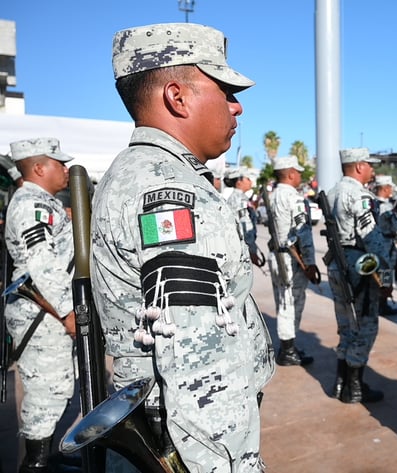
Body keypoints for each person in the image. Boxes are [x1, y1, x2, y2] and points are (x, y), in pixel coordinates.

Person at [91, 22, 274, 472]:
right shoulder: (170, 189)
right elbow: (201, 368)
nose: (238, 106)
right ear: (178, 97)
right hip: (186, 448)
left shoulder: (138, 172)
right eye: (225, 90)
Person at [4, 137, 76, 473]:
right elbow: (42, 264)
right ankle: (35, 464)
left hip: (45, 313)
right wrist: (68, 310)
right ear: (38, 168)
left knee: (56, 388)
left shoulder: (41, 202)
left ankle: (45, 456)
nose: (65, 169)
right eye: (58, 163)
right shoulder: (33, 205)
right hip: (43, 314)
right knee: (47, 394)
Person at [324, 147, 392, 404]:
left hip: (337, 263)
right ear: (359, 167)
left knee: (346, 325)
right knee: (366, 326)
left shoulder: (331, 193)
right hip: (358, 265)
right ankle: (355, 387)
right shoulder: (360, 195)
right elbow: (372, 238)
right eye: (370, 165)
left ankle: (341, 382)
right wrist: (385, 276)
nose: (373, 170)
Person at [267, 155, 320, 366]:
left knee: (283, 301)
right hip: (290, 258)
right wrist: (310, 263)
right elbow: (303, 233)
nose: (300, 176)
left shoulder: (272, 195)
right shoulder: (294, 197)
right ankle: (288, 351)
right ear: (290, 174)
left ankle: (289, 347)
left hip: (277, 254)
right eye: (298, 172)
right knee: (291, 304)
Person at [372, 174, 397, 316]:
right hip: (386, 244)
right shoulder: (386, 207)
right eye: (390, 188)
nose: (391, 191)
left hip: (376, 243)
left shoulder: (372, 203)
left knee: (378, 274)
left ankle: (378, 303)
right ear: (384, 188)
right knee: (386, 274)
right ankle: (382, 304)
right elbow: (396, 225)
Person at [224, 166, 263, 266]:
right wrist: (252, 250)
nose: (250, 181)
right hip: (240, 250)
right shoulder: (239, 199)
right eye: (247, 178)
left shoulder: (239, 197)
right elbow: (245, 225)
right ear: (239, 181)